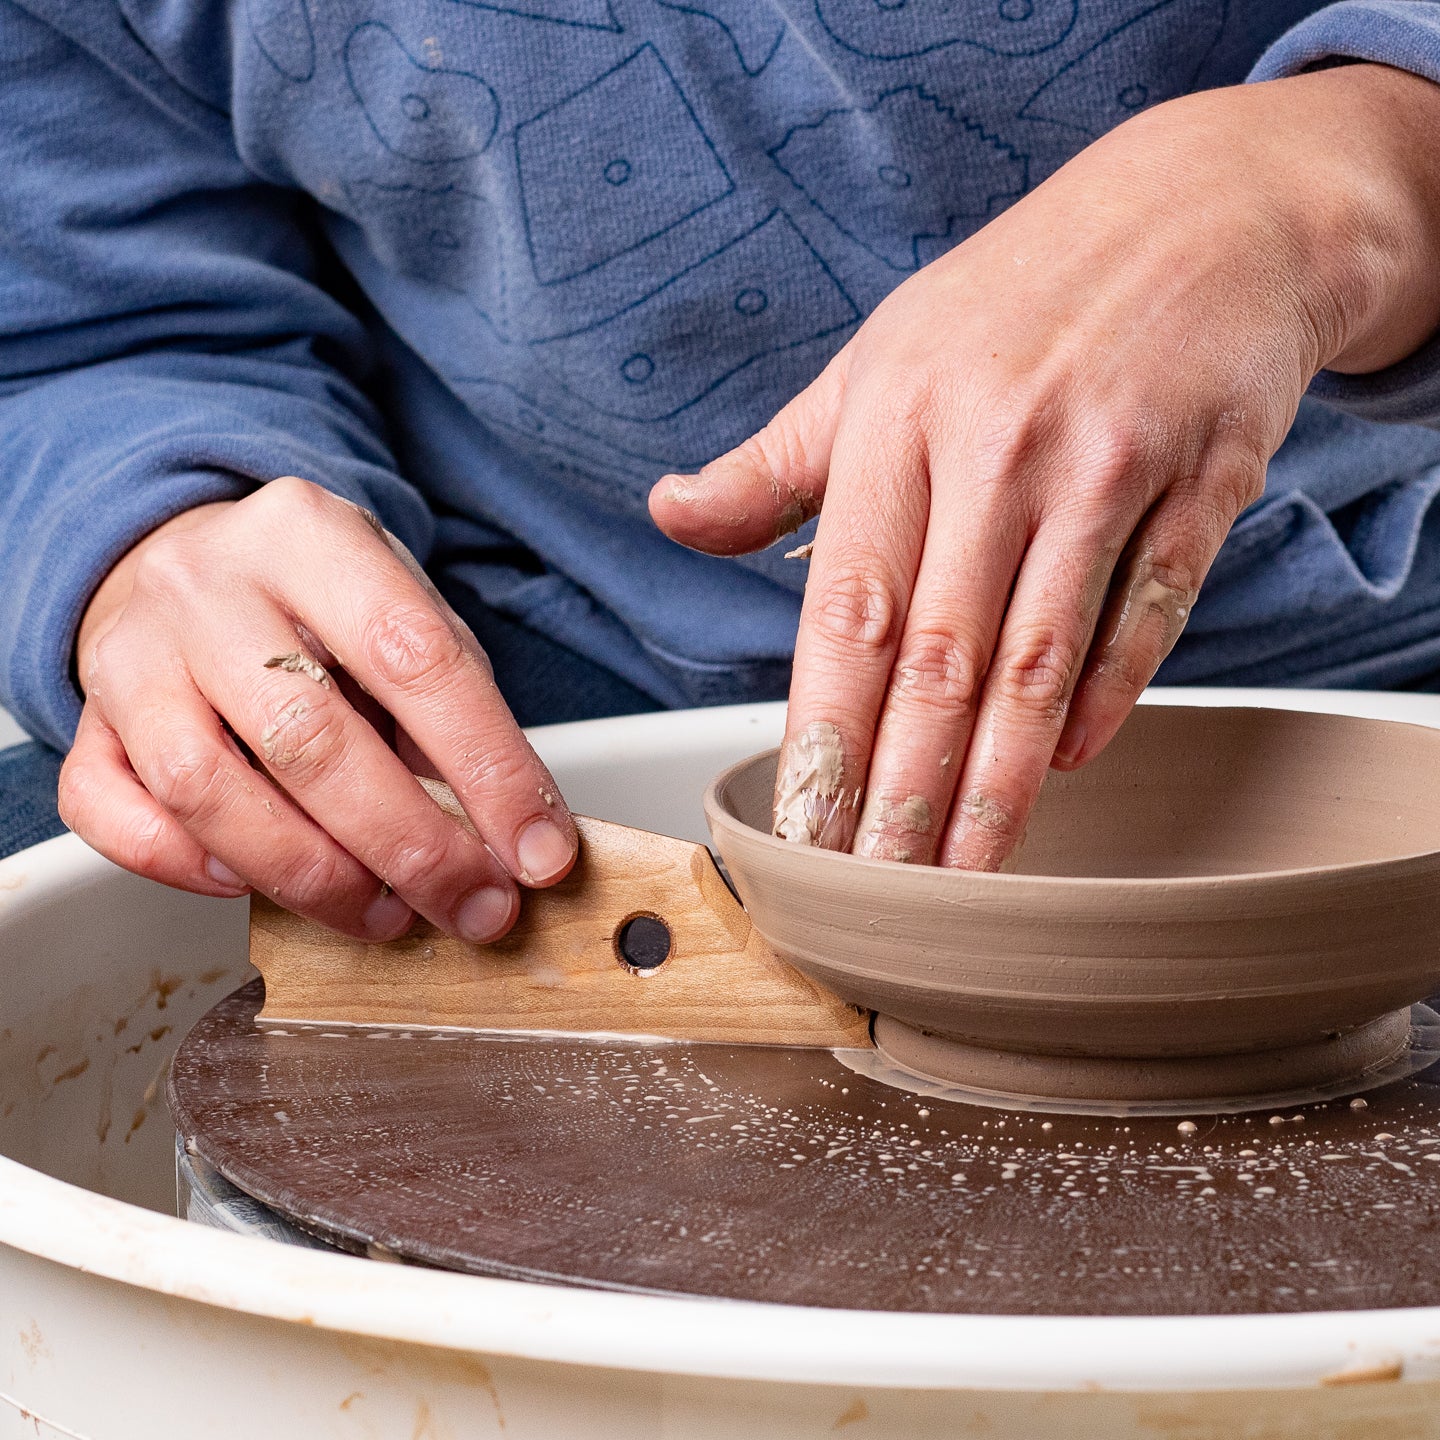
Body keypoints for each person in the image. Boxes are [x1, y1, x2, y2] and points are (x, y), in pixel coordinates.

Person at [3, 0, 1440, 943]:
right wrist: (148, 520)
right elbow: (89, 305)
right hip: (510, 650)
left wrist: (1349, 165)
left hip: (1371, 631)